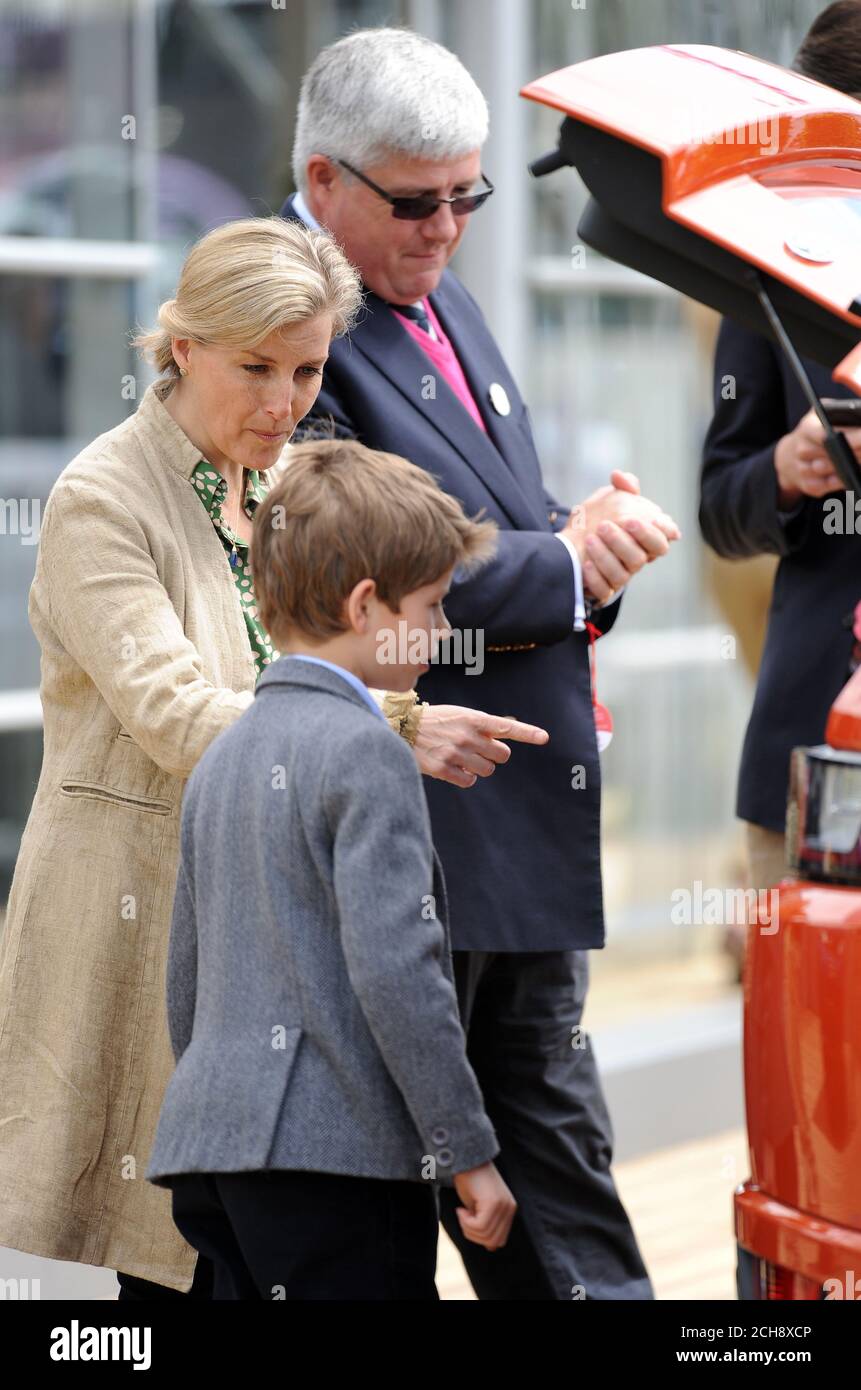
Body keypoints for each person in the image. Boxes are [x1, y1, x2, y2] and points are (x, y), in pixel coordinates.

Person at [0, 216, 544, 1299]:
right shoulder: (101, 498)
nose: (284, 400)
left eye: (308, 369)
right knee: (171, 1265)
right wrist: (392, 728)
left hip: (274, 947)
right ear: (183, 342)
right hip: (139, 913)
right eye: (257, 367)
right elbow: (174, 711)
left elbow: (377, 624)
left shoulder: (299, 480)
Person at [282, 27, 682, 1300]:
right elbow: (356, 589)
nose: (447, 227)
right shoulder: (289, 321)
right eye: (416, 200)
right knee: (471, 1204)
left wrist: (586, 542)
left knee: (561, 1193)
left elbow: (492, 519)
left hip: (516, 832)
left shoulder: (425, 283)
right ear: (324, 176)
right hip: (419, 836)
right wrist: (565, 564)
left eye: (470, 194)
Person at [145, 440, 517, 1300]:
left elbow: (187, 981)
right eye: (430, 607)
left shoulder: (223, 756)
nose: (443, 632)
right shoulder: (367, 752)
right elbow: (400, 976)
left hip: (216, 1155)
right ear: (366, 607)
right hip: (337, 1158)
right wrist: (468, 1153)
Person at [700, 0, 861, 899]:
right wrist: (786, 471)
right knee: (798, 1030)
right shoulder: (767, 271)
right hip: (815, 739)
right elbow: (720, 503)